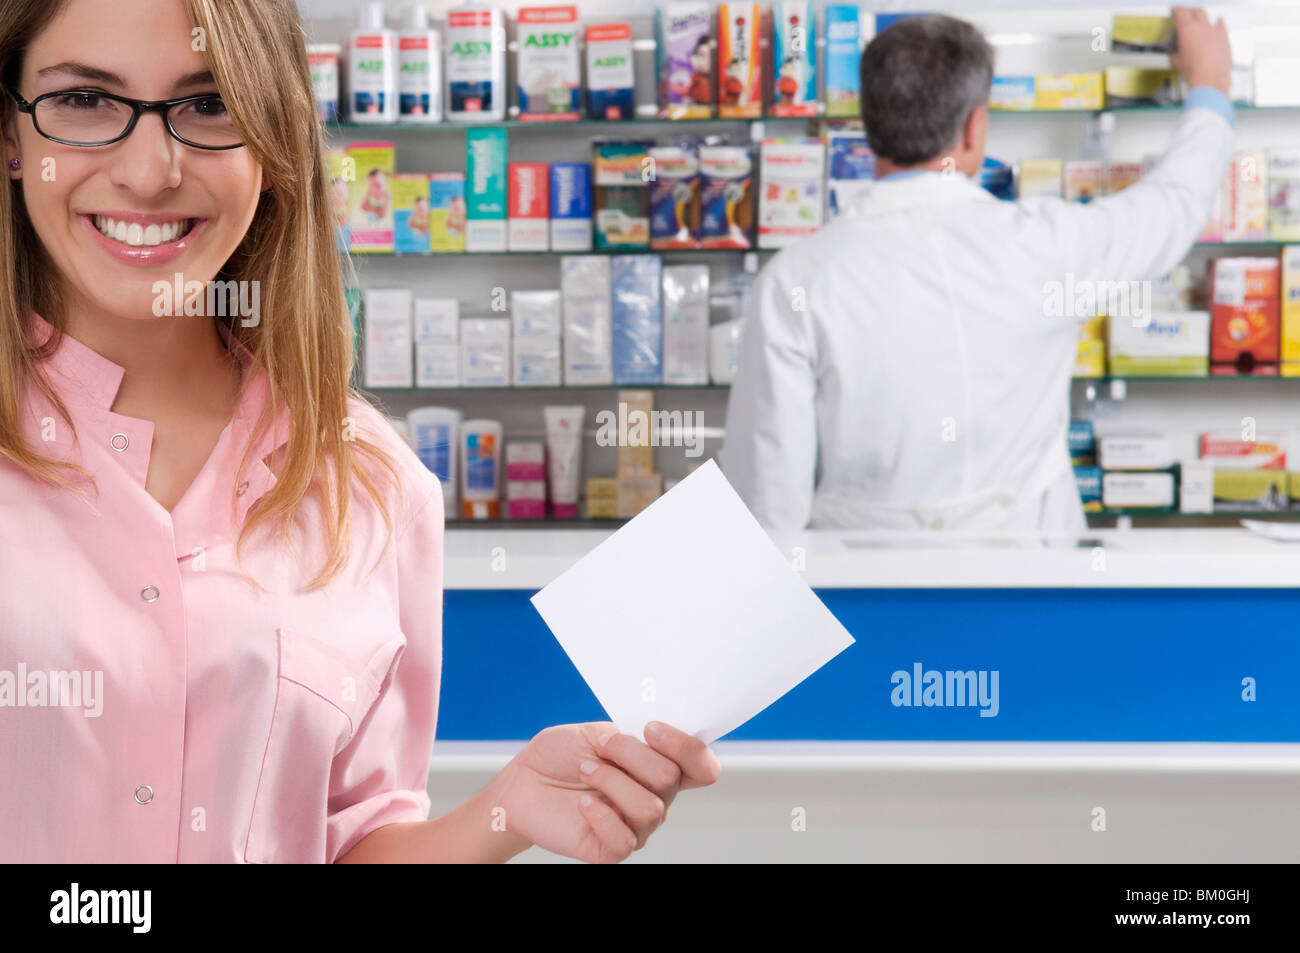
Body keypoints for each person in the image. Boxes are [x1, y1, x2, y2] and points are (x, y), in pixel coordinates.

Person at [0, 0, 719, 863]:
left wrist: (504, 812)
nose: (150, 171)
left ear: (273, 143)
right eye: (85, 101)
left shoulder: (372, 483)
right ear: (13, 135)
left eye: (209, 104)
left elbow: (348, 840)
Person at [723, 7, 1235, 534]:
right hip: (1027, 582)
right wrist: (1211, 87)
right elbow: (1175, 202)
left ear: (867, 125)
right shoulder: (1049, 246)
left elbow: (767, 499)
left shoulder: (795, 280)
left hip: (864, 596)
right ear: (974, 128)